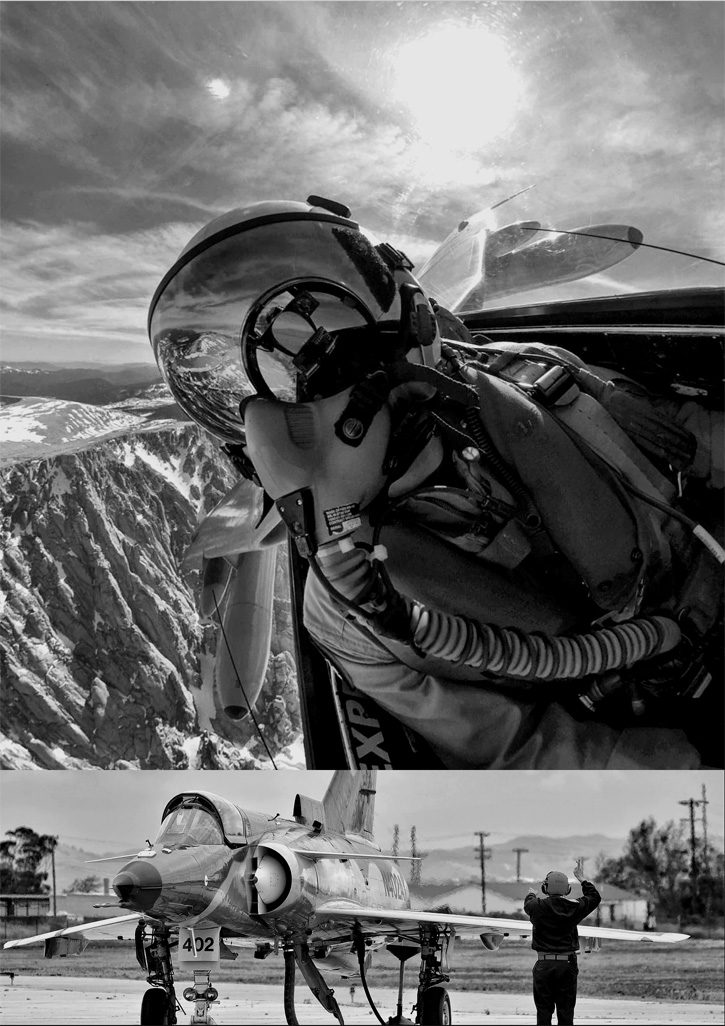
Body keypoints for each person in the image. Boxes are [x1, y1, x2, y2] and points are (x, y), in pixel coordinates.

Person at [148, 197, 723, 770]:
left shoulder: (540, 377)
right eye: (232, 399)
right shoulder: (344, 616)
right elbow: (518, 751)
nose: (270, 418)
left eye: (308, 356)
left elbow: (699, 443)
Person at [524, 860, 601, 1025]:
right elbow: (594, 898)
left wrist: (531, 893)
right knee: (566, 1013)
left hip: (544, 965)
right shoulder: (574, 907)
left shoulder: (537, 907)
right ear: (567, 889)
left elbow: (528, 903)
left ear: (546, 888)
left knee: (543, 1012)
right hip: (567, 965)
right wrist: (582, 879)